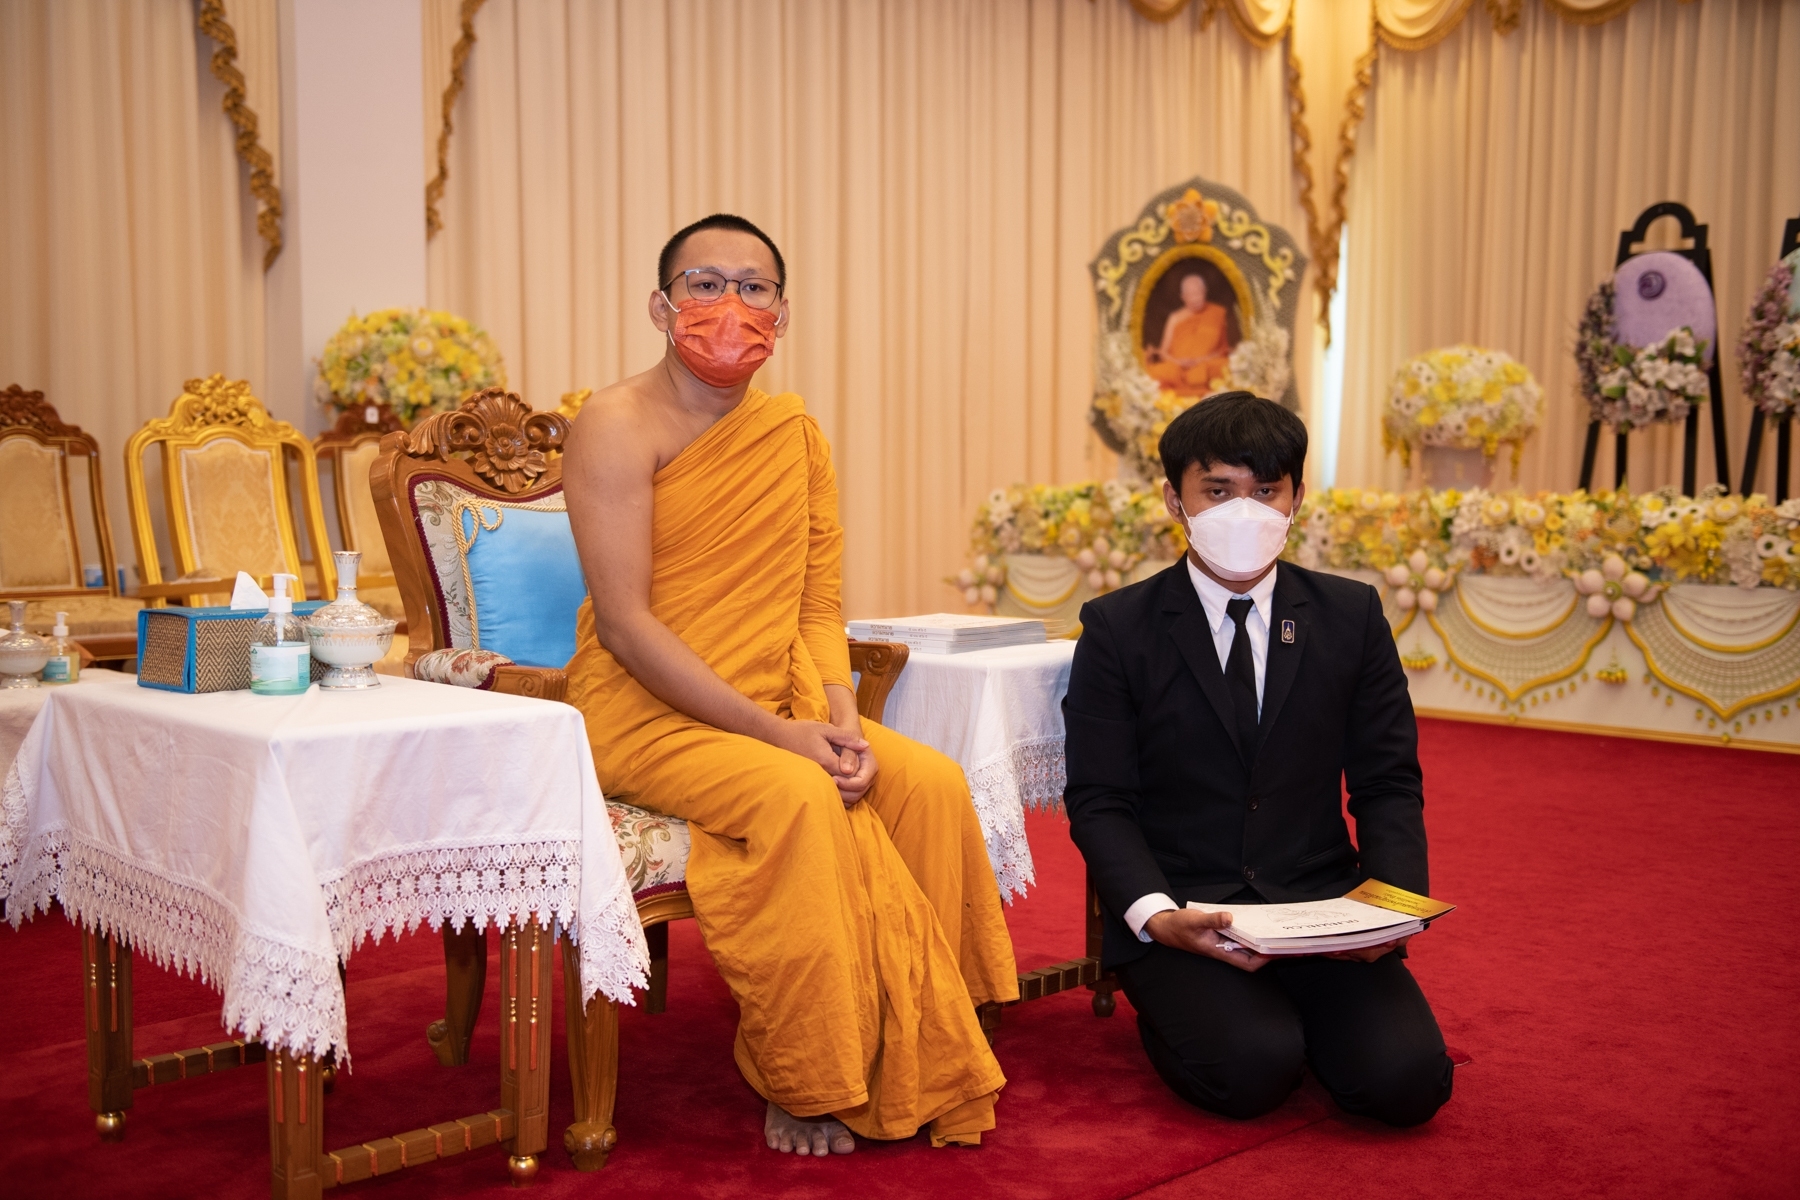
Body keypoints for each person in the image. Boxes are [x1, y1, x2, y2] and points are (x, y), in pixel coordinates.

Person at [561, 213, 1017, 1157]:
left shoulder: (793, 434)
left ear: (782, 312)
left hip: (780, 697)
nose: (729, 306)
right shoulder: (616, 422)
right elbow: (626, 627)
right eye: (704, 284)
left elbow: (817, 602)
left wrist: (839, 715)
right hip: (643, 713)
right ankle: (810, 1076)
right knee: (801, 795)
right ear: (660, 307)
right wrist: (784, 740)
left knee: (929, 784)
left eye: (754, 287)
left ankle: (924, 1046)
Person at [1062, 391, 1454, 1126]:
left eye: (1265, 490)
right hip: (1188, 908)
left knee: (1405, 1084)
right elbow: (1099, 798)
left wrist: (1392, 912)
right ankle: (1198, 1009)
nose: (1244, 511)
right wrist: (1156, 915)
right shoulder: (1118, 628)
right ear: (1174, 500)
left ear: (1296, 498)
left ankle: (1301, 1015)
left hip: (1320, 906)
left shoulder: (1350, 616)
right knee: (1250, 1072)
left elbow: (1387, 781)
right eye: (1217, 491)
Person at [1143, 272, 1234, 395]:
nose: (1195, 299)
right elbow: (1163, 352)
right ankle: (1188, 385)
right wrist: (1179, 362)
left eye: (1198, 293)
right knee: (1153, 372)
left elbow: (1223, 350)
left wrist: (1200, 360)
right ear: (1183, 297)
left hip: (1207, 366)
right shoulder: (1175, 318)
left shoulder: (1218, 313)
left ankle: (1196, 384)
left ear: (1205, 292)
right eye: (1190, 295)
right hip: (1179, 369)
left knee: (1227, 366)